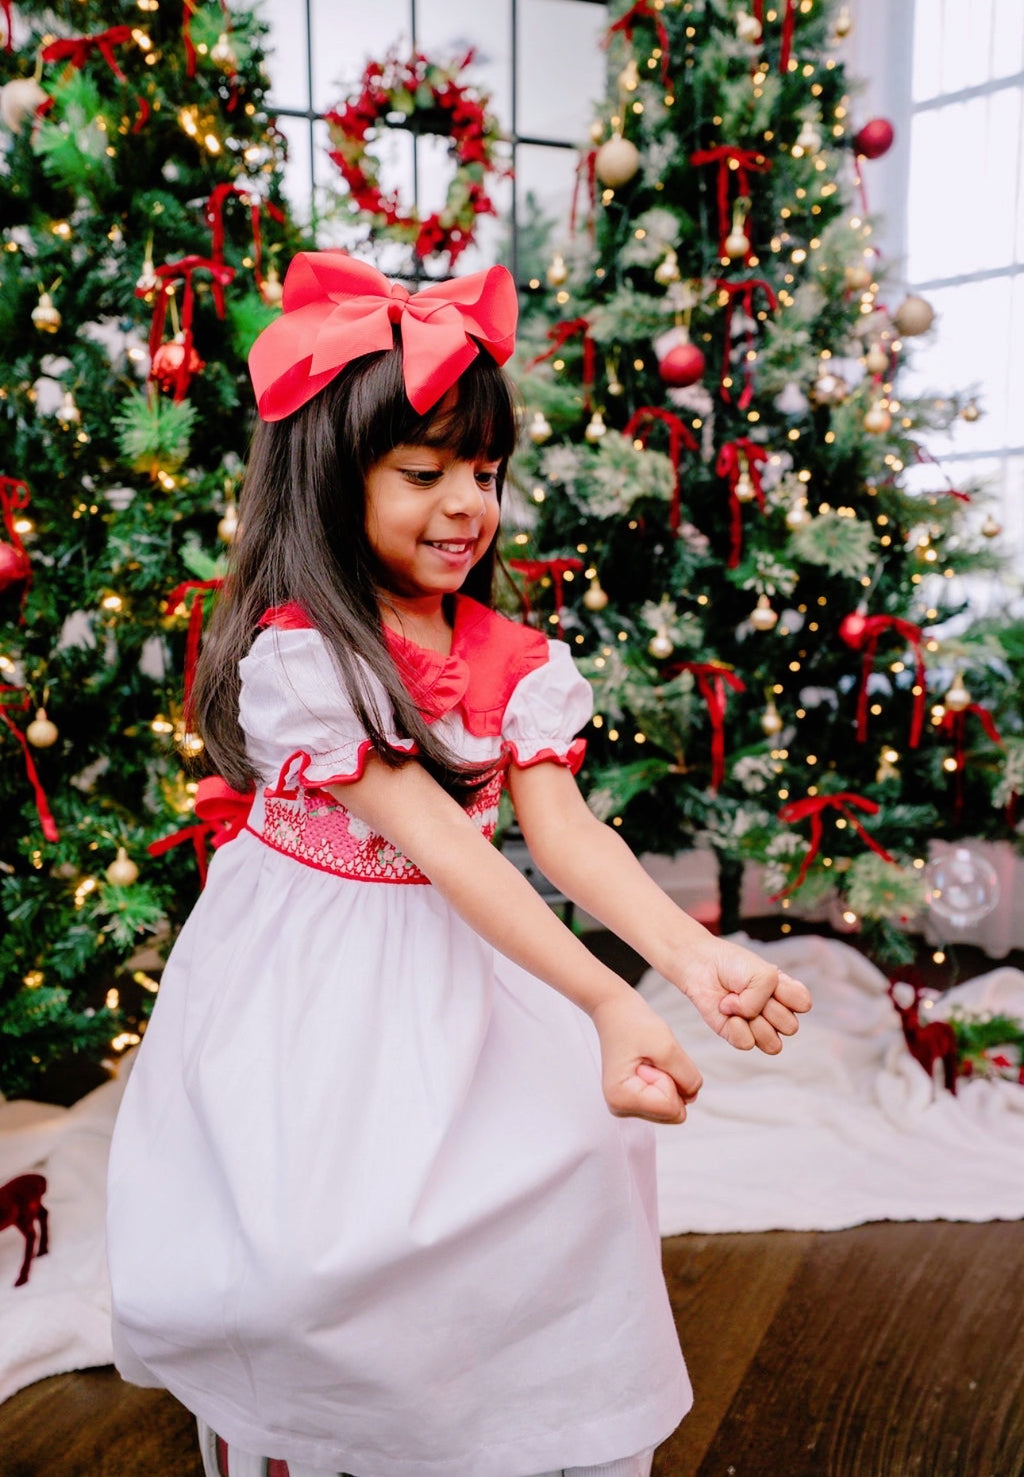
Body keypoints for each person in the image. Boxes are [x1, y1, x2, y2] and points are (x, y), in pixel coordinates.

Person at [106, 251, 811, 1477]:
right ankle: (298, 1440)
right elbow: (434, 841)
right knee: (304, 1238)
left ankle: (478, 1430)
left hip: (453, 962)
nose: (465, 506)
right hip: (306, 973)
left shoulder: (510, 655)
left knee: (570, 1167)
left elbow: (563, 830)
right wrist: (598, 995)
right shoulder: (307, 659)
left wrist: (689, 960)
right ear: (334, 479)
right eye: (423, 473)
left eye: (484, 473)